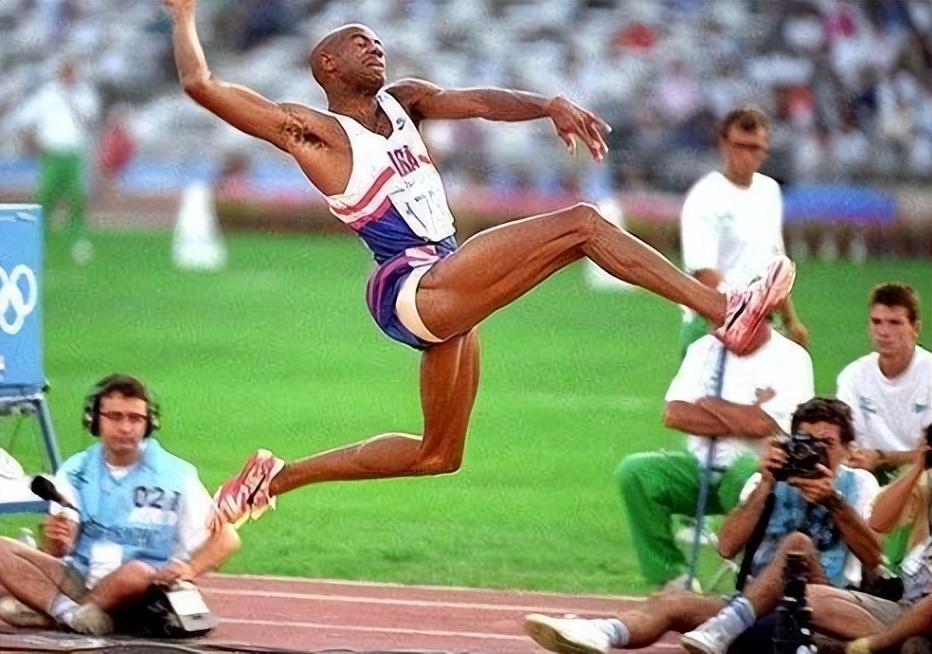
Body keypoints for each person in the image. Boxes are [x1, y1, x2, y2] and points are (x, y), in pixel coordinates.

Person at [165, 0, 796, 532]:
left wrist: (547, 104)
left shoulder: (405, 102)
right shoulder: (313, 131)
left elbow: (479, 104)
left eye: (379, 40)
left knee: (437, 454)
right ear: (327, 64)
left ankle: (275, 479)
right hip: (409, 286)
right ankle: (724, 310)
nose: (376, 47)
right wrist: (185, 17)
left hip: (447, 280)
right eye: (360, 42)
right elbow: (202, 87)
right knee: (582, 224)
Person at [524, 397, 881, 653]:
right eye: (806, 442)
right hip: (754, 610)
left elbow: (872, 555)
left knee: (797, 545)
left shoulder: (858, 483)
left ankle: (725, 628)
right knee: (672, 601)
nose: (815, 452)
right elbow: (726, 546)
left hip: (820, 612)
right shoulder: (772, 479)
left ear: (847, 449)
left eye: (827, 444)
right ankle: (601, 633)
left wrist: (833, 501)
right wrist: (765, 486)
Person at [0, 374, 239, 635]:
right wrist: (56, 541)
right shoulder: (76, 470)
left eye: (134, 418)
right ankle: (72, 615)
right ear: (94, 421)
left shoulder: (175, 475)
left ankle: (53, 610)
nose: (125, 428)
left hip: (141, 590)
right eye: (114, 417)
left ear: (148, 425)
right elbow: (58, 550)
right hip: (79, 580)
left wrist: (190, 569)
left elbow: (227, 538)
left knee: (136, 572)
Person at [615, 319, 814, 590]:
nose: (717, 325)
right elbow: (674, 414)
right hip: (701, 467)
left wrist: (711, 405)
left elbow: (762, 425)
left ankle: (756, 577)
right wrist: (743, 417)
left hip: (760, 471)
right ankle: (672, 578)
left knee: (745, 471)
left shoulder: (791, 357)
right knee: (636, 472)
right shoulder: (703, 349)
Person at [679, 105, 808, 356]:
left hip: (759, 323)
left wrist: (791, 320)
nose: (746, 156)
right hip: (712, 322)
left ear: (765, 150)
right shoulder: (706, 196)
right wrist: (742, 314)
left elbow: (774, 264)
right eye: (739, 146)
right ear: (723, 145)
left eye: (754, 148)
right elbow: (703, 271)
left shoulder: (768, 191)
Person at [837, 283, 931, 480]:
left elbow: (928, 454)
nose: (883, 332)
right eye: (877, 322)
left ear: (915, 328)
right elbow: (846, 441)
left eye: (895, 323)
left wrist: (882, 458)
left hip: (922, 478)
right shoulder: (853, 376)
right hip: (866, 477)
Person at [10, 59, 100, 264]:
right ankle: (38, 238)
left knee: (76, 197)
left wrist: (73, 100)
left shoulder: (84, 94)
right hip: (52, 154)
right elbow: (24, 120)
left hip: (74, 154)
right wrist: (32, 144)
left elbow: (90, 118)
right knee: (45, 196)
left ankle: (78, 240)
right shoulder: (47, 94)